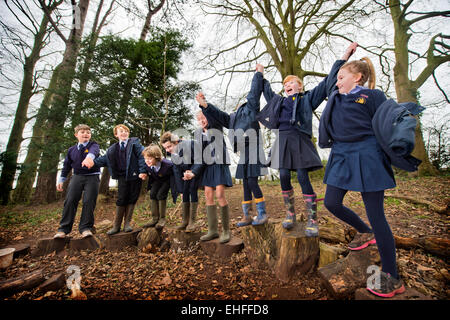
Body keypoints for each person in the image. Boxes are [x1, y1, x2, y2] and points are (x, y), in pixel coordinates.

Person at [318, 51, 405, 298]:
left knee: (376, 214)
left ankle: (392, 276)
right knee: (331, 202)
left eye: (342, 76)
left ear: (357, 77)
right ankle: (365, 232)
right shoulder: (334, 96)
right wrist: (343, 56)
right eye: (336, 77)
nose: (337, 81)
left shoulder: (373, 96)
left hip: (368, 153)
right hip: (341, 153)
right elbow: (329, 81)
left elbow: (388, 123)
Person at [256, 42, 358, 236]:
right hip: (283, 141)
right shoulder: (278, 102)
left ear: (299, 86)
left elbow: (329, 80)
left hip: (299, 141)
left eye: (291, 82)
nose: (287, 85)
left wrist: (345, 56)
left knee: (302, 176)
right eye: (285, 84)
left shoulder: (308, 99)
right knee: (284, 175)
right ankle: (290, 214)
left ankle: (312, 218)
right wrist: (260, 73)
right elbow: (266, 90)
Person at [198, 68, 268, 227]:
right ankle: (247, 215)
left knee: (252, 181)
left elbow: (254, 93)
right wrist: (205, 105)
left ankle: (262, 213)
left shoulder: (250, 109)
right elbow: (219, 115)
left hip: (254, 148)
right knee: (244, 182)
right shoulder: (232, 119)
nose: (237, 108)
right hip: (243, 151)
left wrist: (258, 74)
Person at [86, 124, 146, 235]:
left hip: (135, 175)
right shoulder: (113, 149)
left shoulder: (134, 144)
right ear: (116, 134)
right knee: (121, 198)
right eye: (121, 131)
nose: (124, 133)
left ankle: (127, 223)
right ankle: (116, 226)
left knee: (132, 198)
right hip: (122, 176)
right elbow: (104, 159)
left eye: (126, 131)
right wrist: (92, 163)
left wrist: (142, 171)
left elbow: (143, 156)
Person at [185, 105, 233, 243]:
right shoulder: (198, 134)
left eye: (203, 117)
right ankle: (212, 230)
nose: (202, 121)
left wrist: (203, 104)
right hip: (207, 166)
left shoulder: (216, 126)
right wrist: (193, 172)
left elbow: (212, 113)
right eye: (199, 119)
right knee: (208, 195)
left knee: (219, 194)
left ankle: (226, 230)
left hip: (219, 164)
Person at [54, 124, 100, 239]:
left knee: (89, 201)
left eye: (88, 132)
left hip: (92, 177)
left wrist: (89, 158)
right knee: (70, 200)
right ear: (76, 135)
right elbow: (66, 166)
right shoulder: (71, 150)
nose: (86, 134)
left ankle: (85, 228)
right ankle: (63, 229)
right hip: (77, 177)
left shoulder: (93, 145)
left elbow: (94, 152)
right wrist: (61, 179)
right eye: (83, 132)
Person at [160, 131, 204, 232]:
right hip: (185, 175)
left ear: (175, 142)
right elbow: (176, 171)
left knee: (192, 190)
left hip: (197, 171)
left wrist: (192, 172)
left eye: (169, 146)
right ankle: (185, 221)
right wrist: (180, 191)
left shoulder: (190, 144)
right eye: (165, 148)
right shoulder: (173, 154)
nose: (168, 150)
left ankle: (192, 222)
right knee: (184, 192)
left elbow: (199, 160)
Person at [141, 144, 176, 230]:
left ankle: (162, 219)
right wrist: (143, 173)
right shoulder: (147, 165)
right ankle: (154, 218)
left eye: (149, 159)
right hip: (157, 180)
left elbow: (176, 172)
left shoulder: (168, 165)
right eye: (145, 159)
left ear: (156, 157)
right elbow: (144, 169)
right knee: (152, 194)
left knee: (160, 195)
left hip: (168, 180)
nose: (147, 161)